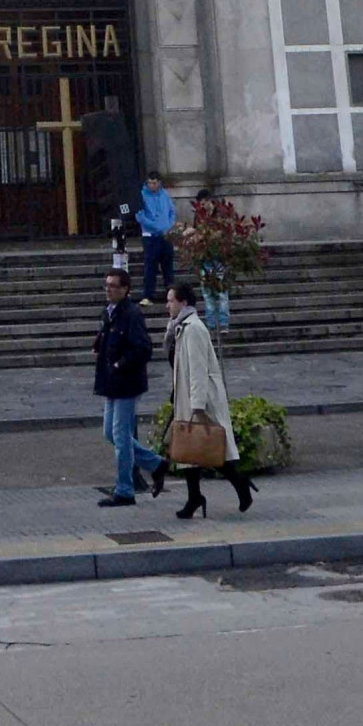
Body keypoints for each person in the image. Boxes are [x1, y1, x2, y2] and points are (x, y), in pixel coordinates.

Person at [164, 282, 256, 518]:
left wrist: (197, 405)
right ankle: (195, 497)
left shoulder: (193, 328)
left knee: (211, 447)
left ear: (184, 303)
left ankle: (241, 485)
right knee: (189, 450)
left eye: (171, 300)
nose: (168, 305)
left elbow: (197, 369)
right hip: (187, 395)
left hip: (199, 398)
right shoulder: (180, 327)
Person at [93, 268, 169, 507]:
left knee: (121, 436)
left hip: (125, 382)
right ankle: (156, 463)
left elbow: (143, 349)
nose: (109, 289)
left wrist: (120, 364)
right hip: (111, 382)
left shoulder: (132, 314)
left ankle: (125, 490)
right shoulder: (109, 312)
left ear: (125, 289)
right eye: (107, 285)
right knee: (111, 433)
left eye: (114, 285)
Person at [135, 170, 176, 306]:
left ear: (159, 183)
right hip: (150, 236)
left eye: (154, 183)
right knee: (150, 267)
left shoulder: (164, 194)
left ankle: (171, 293)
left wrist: (168, 225)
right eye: (150, 183)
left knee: (167, 266)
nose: (152, 185)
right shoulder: (141, 195)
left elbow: (171, 211)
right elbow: (140, 215)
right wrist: (154, 226)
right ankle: (148, 295)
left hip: (165, 235)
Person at [193, 189, 230, 333]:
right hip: (205, 257)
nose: (203, 206)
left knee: (221, 293)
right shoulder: (199, 216)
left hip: (218, 257)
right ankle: (211, 324)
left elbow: (224, 233)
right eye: (200, 204)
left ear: (210, 201)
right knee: (207, 293)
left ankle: (223, 323)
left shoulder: (220, 215)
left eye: (204, 203)